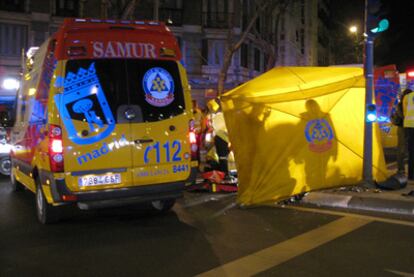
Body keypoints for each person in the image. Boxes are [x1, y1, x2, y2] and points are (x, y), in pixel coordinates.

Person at [391, 90, 407, 174]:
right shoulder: (401, 105)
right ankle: (401, 168)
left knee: (402, 148)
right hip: (403, 128)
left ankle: (401, 168)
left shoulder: (400, 105)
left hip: (403, 128)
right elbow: (402, 116)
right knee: (402, 149)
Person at [402, 88, 414, 180]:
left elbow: (405, 111)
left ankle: (411, 175)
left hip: (409, 125)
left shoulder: (407, 97)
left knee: (411, 151)